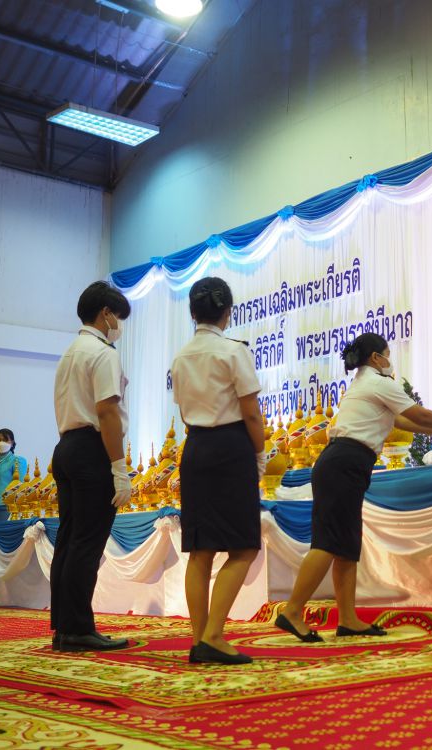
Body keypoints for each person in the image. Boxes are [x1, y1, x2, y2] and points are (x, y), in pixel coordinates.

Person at [275, 333, 432, 642]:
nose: (390, 360)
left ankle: (348, 619)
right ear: (376, 358)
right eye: (387, 353)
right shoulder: (378, 382)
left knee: (345, 545)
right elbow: (418, 414)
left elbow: (402, 422)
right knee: (329, 543)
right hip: (344, 464)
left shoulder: (364, 382)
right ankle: (293, 611)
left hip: (342, 464)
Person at [171, 277, 264, 666]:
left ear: (192, 313)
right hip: (231, 448)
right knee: (243, 547)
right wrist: (260, 454)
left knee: (201, 550)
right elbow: (251, 412)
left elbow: (183, 413)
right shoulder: (234, 350)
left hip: (195, 448)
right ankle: (213, 636)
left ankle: (199, 640)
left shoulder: (181, 357)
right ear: (228, 312)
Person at [50, 281, 133, 653]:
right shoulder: (102, 352)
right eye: (119, 317)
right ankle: (79, 629)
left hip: (66, 446)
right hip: (91, 448)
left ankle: (64, 627)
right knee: (87, 542)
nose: (120, 325)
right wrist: (119, 468)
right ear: (106, 313)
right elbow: (106, 411)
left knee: (69, 540)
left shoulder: (70, 352)